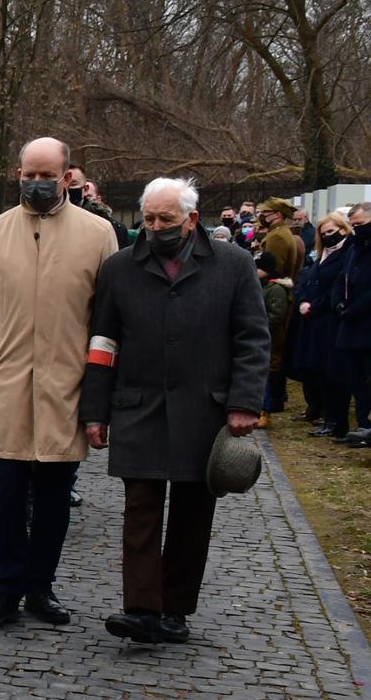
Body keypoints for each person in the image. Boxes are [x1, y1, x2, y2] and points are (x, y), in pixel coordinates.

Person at [80, 177, 269, 644]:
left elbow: (252, 338)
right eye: (149, 218)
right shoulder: (120, 268)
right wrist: (95, 410)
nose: (156, 226)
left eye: (166, 218)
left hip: (204, 410)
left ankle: (176, 608)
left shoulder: (233, 265)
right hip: (138, 406)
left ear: (191, 219)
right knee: (140, 510)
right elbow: (103, 343)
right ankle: (142, 609)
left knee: (192, 514)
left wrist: (245, 402)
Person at [0, 137, 119, 628]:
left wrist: (101, 397)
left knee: (53, 497)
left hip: (66, 386)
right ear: (18, 173)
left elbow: (107, 324)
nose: (36, 183)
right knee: (5, 494)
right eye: (29, 174)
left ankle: (41, 586)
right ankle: (3, 587)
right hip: (6, 384)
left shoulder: (98, 234)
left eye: (47, 175)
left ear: (67, 177)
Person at [292, 212, 356, 439]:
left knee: (335, 373)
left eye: (332, 231)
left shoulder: (348, 254)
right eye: (324, 233)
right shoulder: (322, 255)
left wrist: (314, 305)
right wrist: (302, 301)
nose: (328, 236)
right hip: (315, 322)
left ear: (343, 229)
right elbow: (309, 281)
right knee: (320, 372)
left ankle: (337, 420)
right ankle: (329, 417)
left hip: (330, 319)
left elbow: (335, 288)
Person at [333, 204, 371, 447]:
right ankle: (361, 426)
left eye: (360, 224)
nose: (356, 229)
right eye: (353, 225)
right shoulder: (354, 248)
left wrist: (355, 309)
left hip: (366, 324)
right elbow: (341, 278)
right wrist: (337, 302)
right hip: (349, 326)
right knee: (355, 381)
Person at [259, 254, 293, 419]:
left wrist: (260, 327)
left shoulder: (276, 289)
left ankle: (273, 403)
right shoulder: (265, 286)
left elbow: (277, 315)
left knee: (273, 368)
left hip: (273, 336)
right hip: (267, 335)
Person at [68, 164, 130, 249]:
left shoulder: (109, 227)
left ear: (85, 189)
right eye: (64, 182)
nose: (67, 188)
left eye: (73, 184)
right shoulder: (50, 221)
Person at [256, 197, 305, 282]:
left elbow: (272, 269)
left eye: (265, 212)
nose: (261, 215)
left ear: (277, 215)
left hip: (271, 286)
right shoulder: (278, 231)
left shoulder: (277, 236)